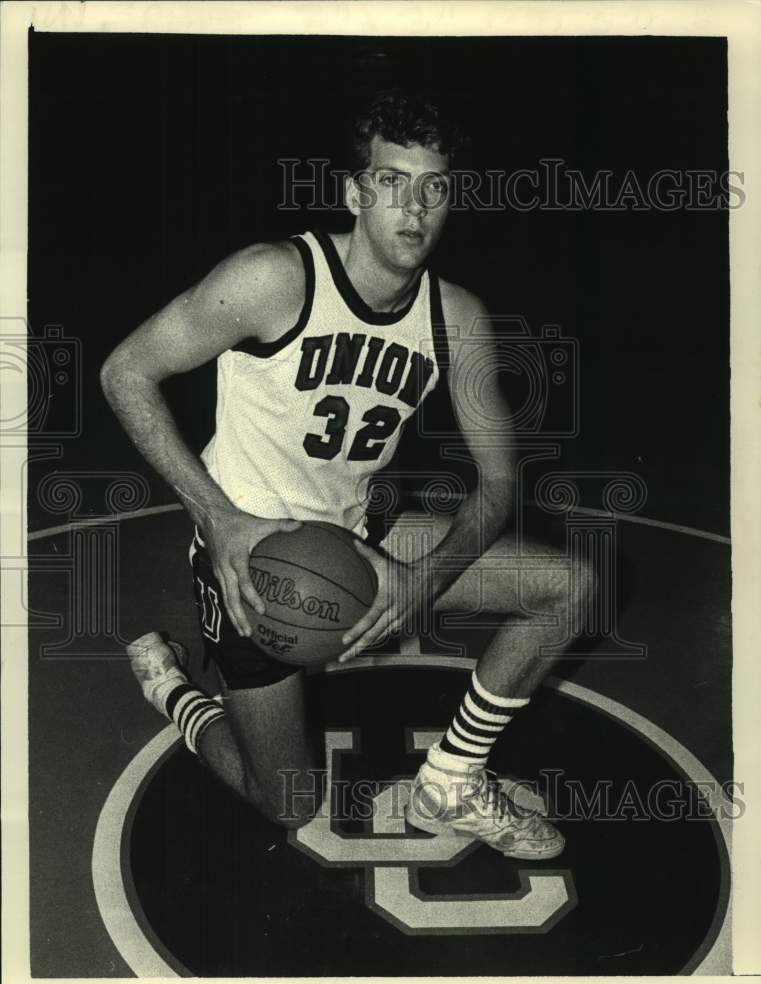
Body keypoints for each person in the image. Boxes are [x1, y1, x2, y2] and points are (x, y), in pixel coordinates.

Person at [100, 89, 595, 859]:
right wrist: (217, 518)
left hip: (364, 538)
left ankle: (453, 777)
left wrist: (423, 578)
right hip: (257, 557)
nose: (414, 207)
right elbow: (125, 371)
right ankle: (172, 691)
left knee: (568, 587)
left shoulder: (455, 318)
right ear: (354, 192)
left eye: (433, 187)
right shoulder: (274, 278)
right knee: (288, 806)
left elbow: (499, 482)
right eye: (391, 181)